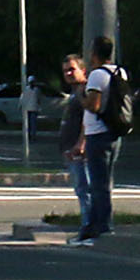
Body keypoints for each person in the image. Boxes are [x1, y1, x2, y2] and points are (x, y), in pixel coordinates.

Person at [73, 35, 126, 243]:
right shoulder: (120, 72)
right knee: (104, 182)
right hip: (114, 133)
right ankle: (94, 226)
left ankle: (102, 227)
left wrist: (80, 95)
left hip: (98, 135)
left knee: (98, 185)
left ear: (94, 53)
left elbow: (93, 105)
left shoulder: (97, 75)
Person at [56, 53, 88, 188]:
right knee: (81, 190)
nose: (68, 73)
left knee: (86, 190)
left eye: (72, 69)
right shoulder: (75, 91)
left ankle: (91, 210)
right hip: (71, 151)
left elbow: (89, 119)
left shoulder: (86, 91)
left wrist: (81, 144)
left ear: (83, 70)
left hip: (81, 153)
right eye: (65, 71)